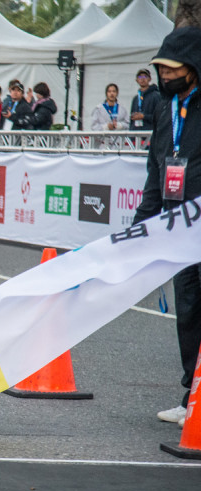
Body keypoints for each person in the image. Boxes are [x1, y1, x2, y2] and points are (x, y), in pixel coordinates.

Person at [132, 26, 201, 429]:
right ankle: (190, 395)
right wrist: (141, 226)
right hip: (179, 232)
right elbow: (156, 172)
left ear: (193, 68)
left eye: (173, 69)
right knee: (189, 312)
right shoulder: (163, 107)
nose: (165, 75)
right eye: (160, 68)